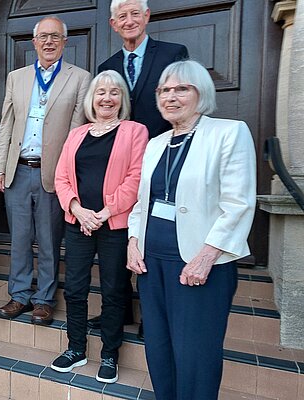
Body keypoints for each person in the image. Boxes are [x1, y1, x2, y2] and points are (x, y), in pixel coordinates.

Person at [126, 60, 256, 399]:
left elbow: (238, 204)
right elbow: (143, 203)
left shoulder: (229, 133)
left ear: (202, 94)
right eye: (164, 90)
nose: (171, 96)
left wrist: (207, 256)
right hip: (152, 264)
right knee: (159, 349)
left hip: (198, 265)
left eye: (181, 89)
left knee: (195, 355)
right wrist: (133, 241)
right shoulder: (155, 144)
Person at [89, 0, 189, 333]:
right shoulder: (107, 64)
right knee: (117, 241)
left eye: (135, 13)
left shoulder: (173, 53)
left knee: (154, 235)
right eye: (122, 16)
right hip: (117, 170)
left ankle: (153, 315)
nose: (129, 20)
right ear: (113, 24)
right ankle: (120, 311)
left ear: (146, 17)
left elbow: (183, 103)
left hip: (163, 162)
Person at [0, 16, 91, 325]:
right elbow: (6, 126)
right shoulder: (16, 77)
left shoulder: (80, 78)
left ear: (64, 42)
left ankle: (45, 299)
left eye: (55, 37)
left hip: (53, 173)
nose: (48, 42)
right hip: (18, 171)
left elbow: (77, 131)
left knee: (49, 239)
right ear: (34, 43)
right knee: (20, 238)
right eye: (43, 37)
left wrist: (69, 176)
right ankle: (19, 294)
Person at [51, 70, 147, 383]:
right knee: (75, 289)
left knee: (113, 290)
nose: (106, 98)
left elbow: (136, 179)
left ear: (122, 99)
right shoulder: (76, 134)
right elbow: (61, 178)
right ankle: (75, 348)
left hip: (114, 225)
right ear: (92, 99)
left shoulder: (135, 131)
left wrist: (103, 213)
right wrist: (79, 211)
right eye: (100, 92)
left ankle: (109, 353)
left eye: (113, 92)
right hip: (78, 223)